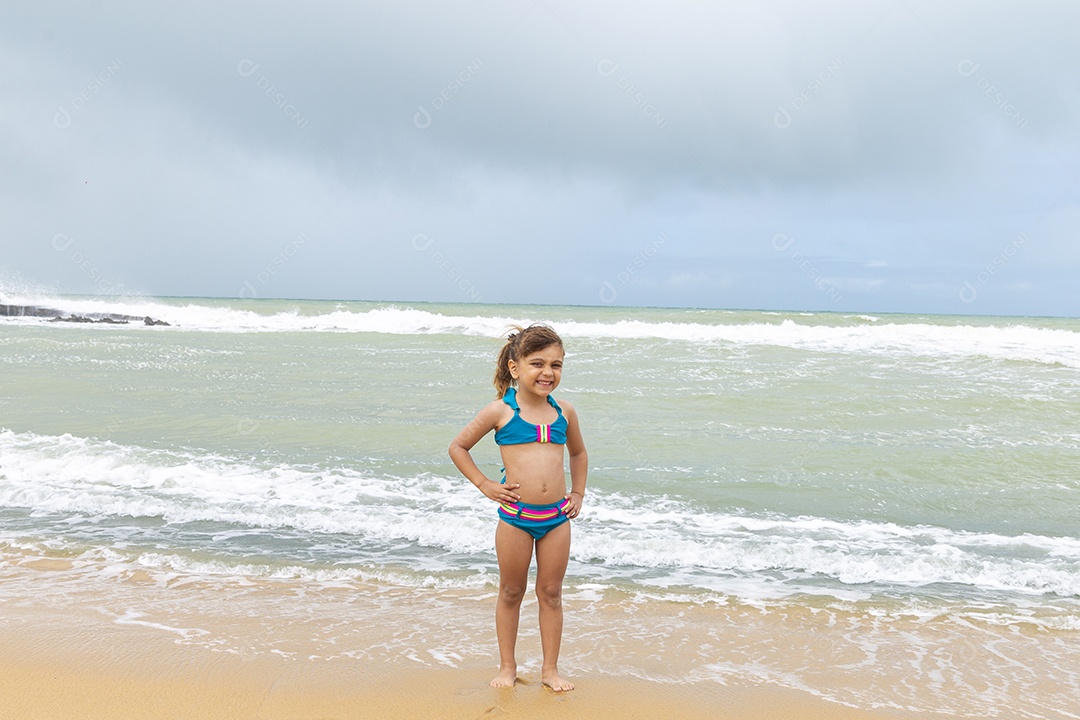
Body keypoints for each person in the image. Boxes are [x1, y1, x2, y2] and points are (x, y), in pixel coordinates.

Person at [448, 324, 588, 692]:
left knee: (551, 593)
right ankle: (507, 667)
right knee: (511, 591)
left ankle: (550, 670)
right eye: (537, 363)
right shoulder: (500, 411)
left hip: (556, 518)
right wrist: (485, 485)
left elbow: (578, 452)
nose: (548, 373)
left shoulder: (565, 411)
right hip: (516, 519)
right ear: (515, 368)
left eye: (556, 365)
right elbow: (458, 448)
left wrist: (578, 494)